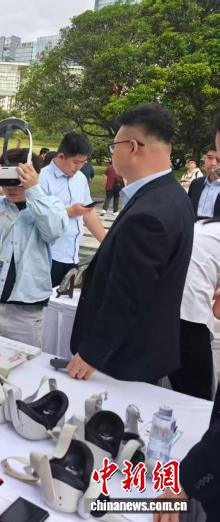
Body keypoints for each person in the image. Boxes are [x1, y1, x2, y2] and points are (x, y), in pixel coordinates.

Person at [67, 104, 194, 383]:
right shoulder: (172, 196)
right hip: (141, 350)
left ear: (132, 147)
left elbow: (127, 294)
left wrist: (92, 353)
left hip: (122, 359)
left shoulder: (150, 212)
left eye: (115, 147)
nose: (113, 154)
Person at [153, 112, 220, 522]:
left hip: (175, 309)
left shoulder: (205, 229)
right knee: (194, 393)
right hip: (187, 311)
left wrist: (184, 479)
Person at [0, 148, 68, 347]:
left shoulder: (50, 205)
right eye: (5, 180)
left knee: (24, 362)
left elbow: (52, 231)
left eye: (17, 180)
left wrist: (33, 189)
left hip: (26, 309)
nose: (10, 188)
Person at [39, 132, 107, 287]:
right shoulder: (42, 178)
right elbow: (38, 217)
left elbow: (89, 213)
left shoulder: (80, 178)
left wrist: (106, 243)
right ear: (61, 156)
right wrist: (70, 212)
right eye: (76, 162)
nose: (79, 167)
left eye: (83, 162)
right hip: (49, 256)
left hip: (72, 256)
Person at [169, 215, 220, 400]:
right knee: (197, 396)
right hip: (190, 314)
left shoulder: (204, 225)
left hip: (161, 304)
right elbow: (218, 311)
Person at [188, 149, 220, 218]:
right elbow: (187, 209)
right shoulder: (195, 183)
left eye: (218, 159)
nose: (213, 163)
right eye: (210, 158)